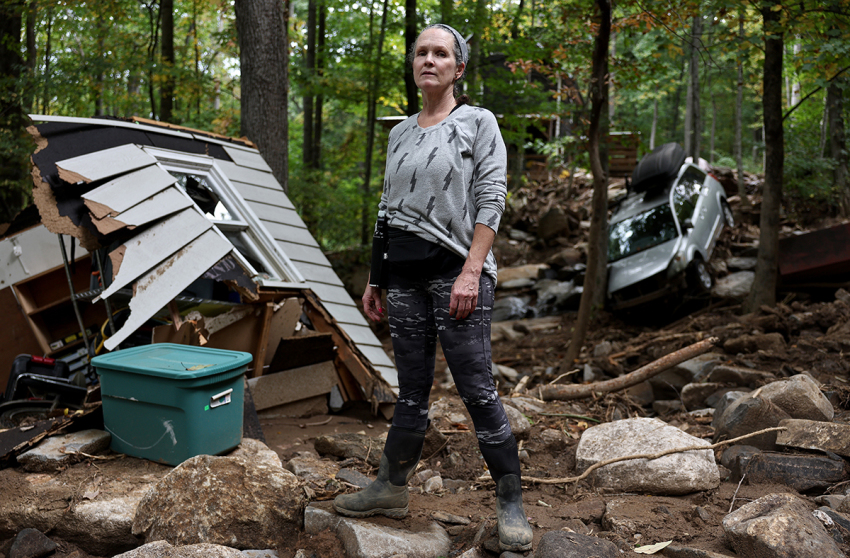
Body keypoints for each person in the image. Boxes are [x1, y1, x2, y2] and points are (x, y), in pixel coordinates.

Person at [332, 23, 533, 553]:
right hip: (403, 277)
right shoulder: (400, 131)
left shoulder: (477, 122)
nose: (429, 59)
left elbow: (492, 198)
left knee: (475, 386)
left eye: (441, 53)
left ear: (458, 68)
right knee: (412, 388)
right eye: (421, 52)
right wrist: (376, 277)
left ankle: (511, 501)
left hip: (455, 274)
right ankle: (390, 488)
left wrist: (472, 270)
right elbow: (386, 210)